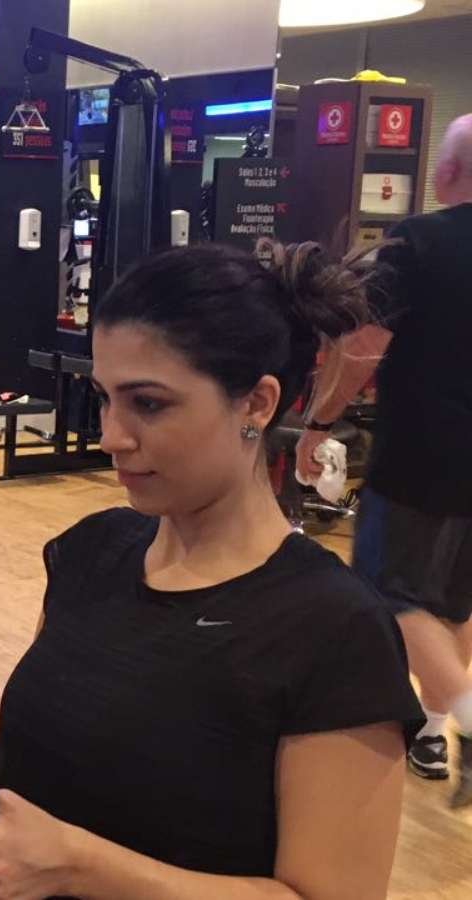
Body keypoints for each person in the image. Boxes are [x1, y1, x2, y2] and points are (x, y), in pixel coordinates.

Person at [0, 241, 423, 899]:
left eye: (149, 404)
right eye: (105, 398)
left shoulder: (335, 629)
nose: (111, 435)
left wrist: (75, 863)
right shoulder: (92, 552)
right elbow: (84, 743)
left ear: (256, 403)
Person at [297, 114, 472, 807]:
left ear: (445, 172)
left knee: (388, 595)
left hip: (427, 454)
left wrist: (318, 423)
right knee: (452, 603)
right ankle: (430, 729)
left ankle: (464, 716)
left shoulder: (420, 241)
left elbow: (365, 346)